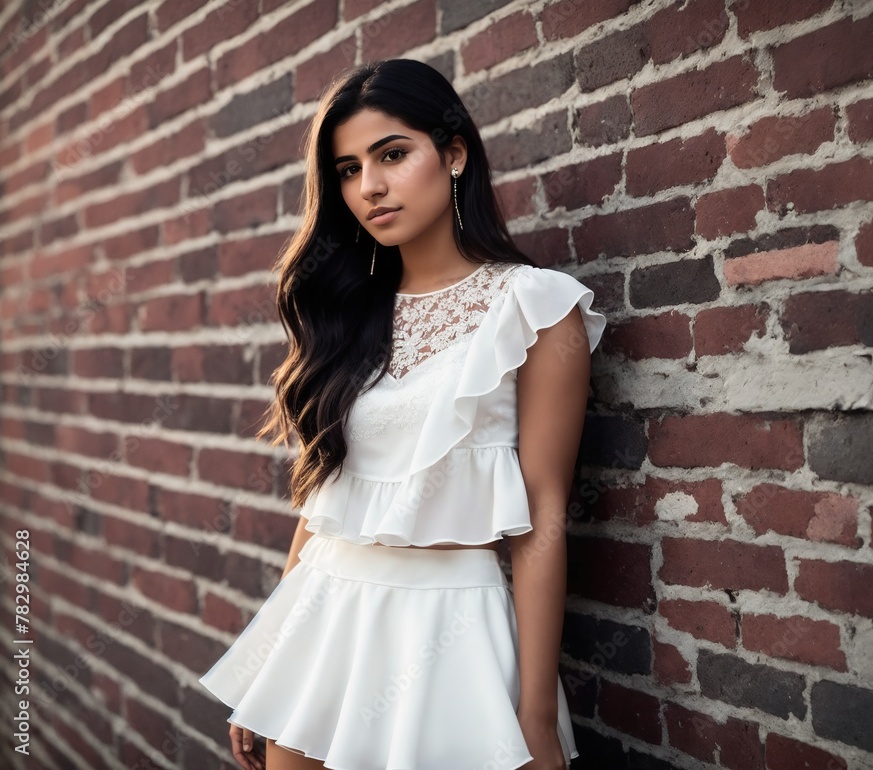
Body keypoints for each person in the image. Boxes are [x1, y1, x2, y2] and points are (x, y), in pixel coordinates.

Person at [197, 58, 606, 770]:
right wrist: (269, 656)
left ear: (453, 154)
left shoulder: (535, 306)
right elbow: (326, 498)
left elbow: (543, 514)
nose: (370, 188)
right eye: (348, 169)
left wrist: (536, 713)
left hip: (448, 628)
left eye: (391, 155)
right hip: (322, 616)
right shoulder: (351, 315)